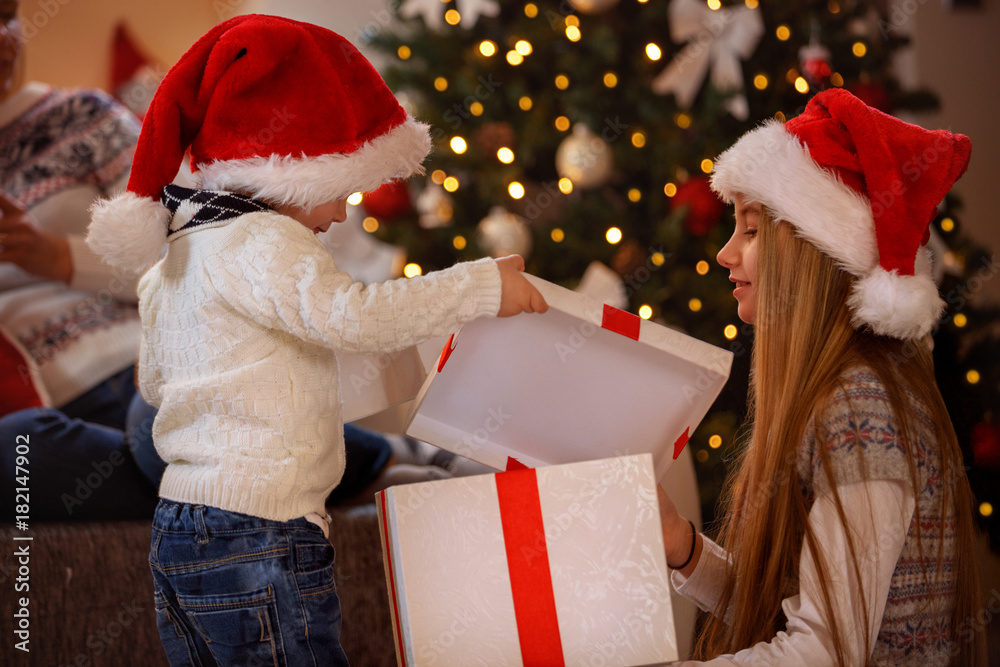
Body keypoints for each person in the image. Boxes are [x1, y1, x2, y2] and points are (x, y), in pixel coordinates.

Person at [86, 14, 547, 666]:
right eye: (337, 189)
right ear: (287, 175)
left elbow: (155, 385)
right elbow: (353, 316)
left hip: (177, 530)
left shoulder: (172, 259)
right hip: (261, 528)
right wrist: (483, 289)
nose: (342, 212)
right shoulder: (265, 240)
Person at [657, 88, 984, 666]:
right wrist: (683, 547)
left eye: (752, 231)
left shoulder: (862, 407)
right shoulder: (839, 389)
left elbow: (822, 653)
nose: (725, 255)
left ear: (811, 250)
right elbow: (795, 608)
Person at [0, 0, 161, 521]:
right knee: (13, 455)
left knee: (166, 427)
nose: (4, 38)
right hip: (39, 413)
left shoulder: (85, 117)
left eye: (5, 16)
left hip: (132, 365)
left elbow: (185, 249)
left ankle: (371, 456)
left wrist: (57, 257)